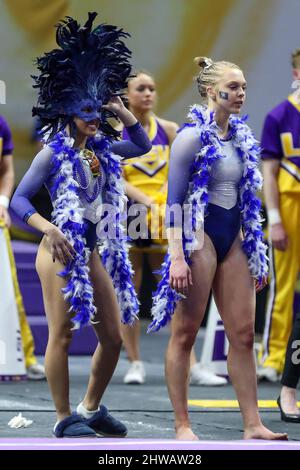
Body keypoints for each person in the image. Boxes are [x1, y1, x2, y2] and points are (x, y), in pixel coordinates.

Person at [11, 13, 151, 438]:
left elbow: (142, 144)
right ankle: (60, 418)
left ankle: (89, 407)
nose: (95, 118)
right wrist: (49, 229)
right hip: (58, 251)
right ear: (69, 113)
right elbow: (17, 200)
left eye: (97, 110)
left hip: (89, 251)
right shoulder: (51, 154)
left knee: (112, 338)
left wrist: (120, 109)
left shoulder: (104, 149)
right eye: (87, 111)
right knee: (63, 335)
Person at [148, 56, 288, 441]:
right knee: (186, 333)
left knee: (243, 334)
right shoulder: (191, 138)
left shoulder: (242, 137)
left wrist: (255, 251)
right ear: (213, 91)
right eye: (235, 87)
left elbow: (247, 199)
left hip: (235, 241)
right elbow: (173, 201)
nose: (242, 93)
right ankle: (182, 425)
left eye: (244, 86)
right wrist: (177, 256)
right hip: (199, 237)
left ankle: (253, 424)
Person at [121, 71, 226, 386]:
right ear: (126, 95)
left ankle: (191, 364)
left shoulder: (167, 130)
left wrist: (164, 201)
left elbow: (182, 167)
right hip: (128, 215)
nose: (149, 94)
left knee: (172, 289)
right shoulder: (116, 132)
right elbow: (114, 176)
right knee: (129, 291)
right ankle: (135, 362)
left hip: (164, 215)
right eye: (141, 88)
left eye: (152, 88)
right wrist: (145, 200)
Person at [257, 49, 300, 383]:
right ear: (296, 74)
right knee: (283, 286)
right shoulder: (279, 116)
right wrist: (273, 218)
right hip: (290, 206)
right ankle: (273, 358)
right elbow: (268, 173)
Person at [0, 114, 45, 380]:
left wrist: (3, 202)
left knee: (8, 288)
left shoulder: (2, 123)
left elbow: (6, 170)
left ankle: (22, 357)